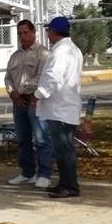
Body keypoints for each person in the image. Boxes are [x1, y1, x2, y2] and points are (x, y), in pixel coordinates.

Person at [28, 17, 84, 198]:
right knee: (64, 148)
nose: (47, 34)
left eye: (48, 31)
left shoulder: (60, 52)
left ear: (53, 31)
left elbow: (53, 78)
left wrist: (37, 95)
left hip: (60, 109)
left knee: (63, 149)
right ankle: (65, 183)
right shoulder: (73, 49)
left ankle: (70, 186)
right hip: (66, 106)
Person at [5, 20, 52, 188]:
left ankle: (44, 174)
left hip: (35, 101)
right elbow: (8, 78)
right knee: (23, 139)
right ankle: (27, 172)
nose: (22, 36)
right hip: (18, 102)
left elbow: (41, 78)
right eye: (19, 33)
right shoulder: (15, 56)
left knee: (41, 139)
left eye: (25, 32)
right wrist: (12, 93)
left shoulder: (42, 53)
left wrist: (21, 91)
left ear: (33, 33)